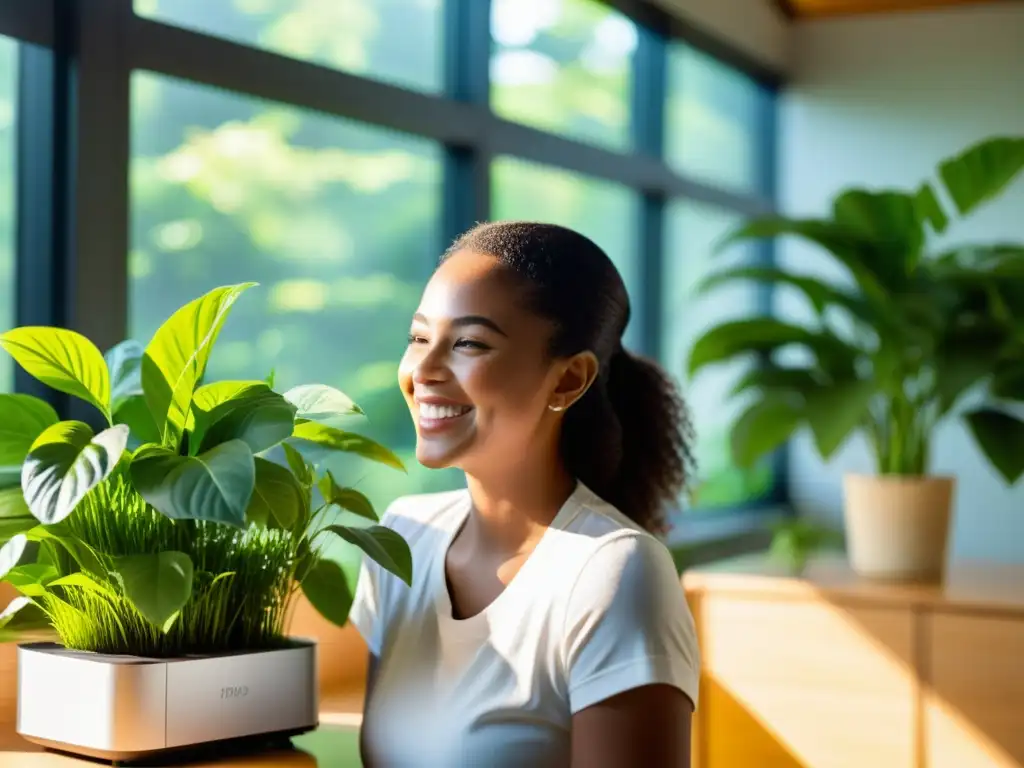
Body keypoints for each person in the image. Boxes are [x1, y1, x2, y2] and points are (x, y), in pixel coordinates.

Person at [348, 221, 701, 767]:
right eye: (419, 338)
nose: (424, 370)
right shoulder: (404, 536)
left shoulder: (615, 571)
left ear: (568, 380)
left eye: (469, 343)